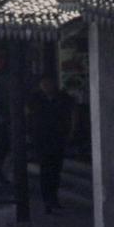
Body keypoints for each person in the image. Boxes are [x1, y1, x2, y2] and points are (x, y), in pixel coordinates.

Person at [28, 72, 71, 213]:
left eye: (48, 83)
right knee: (45, 170)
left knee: (56, 170)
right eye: (43, 83)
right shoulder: (35, 99)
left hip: (58, 138)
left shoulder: (62, 98)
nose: (46, 86)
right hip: (41, 139)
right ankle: (48, 200)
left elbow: (70, 113)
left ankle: (54, 198)